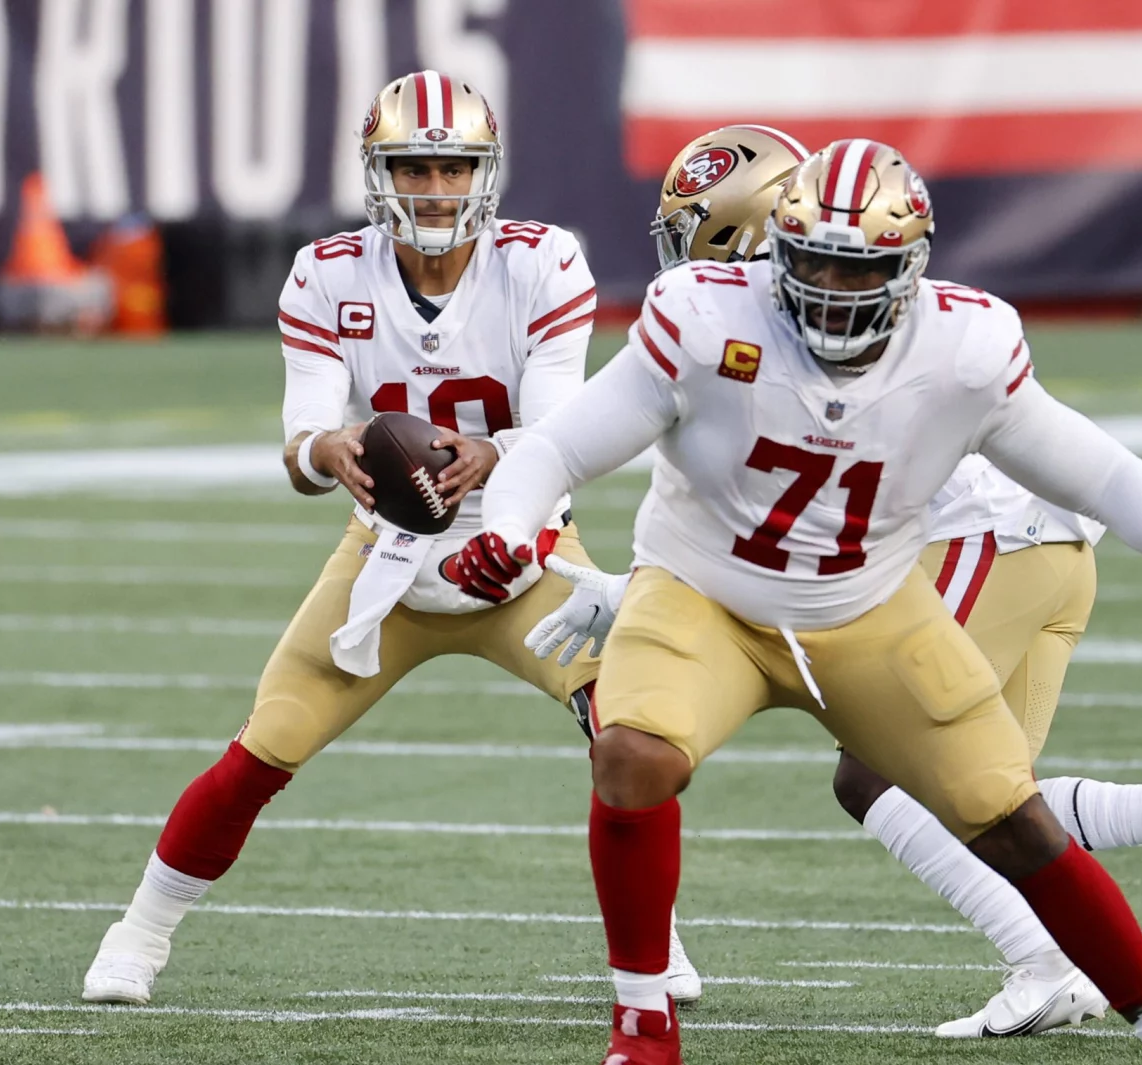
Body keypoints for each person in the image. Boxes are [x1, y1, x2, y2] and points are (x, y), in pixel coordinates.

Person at [458, 139, 1142, 1065]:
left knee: (1012, 817)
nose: (832, 289)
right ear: (778, 250)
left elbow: (1092, 467)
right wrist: (506, 528)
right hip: (703, 598)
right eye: (813, 262)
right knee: (632, 755)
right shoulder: (702, 318)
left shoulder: (966, 345)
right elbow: (561, 447)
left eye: (858, 268)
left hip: (865, 607)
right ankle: (642, 1035)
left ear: (911, 265)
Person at [79, 70, 703, 1005]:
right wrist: (327, 448)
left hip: (525, 553)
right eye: (414, 167)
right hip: (388, 558)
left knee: (633, 741)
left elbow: (563, 432)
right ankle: (139, 932)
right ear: (379, 173)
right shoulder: (327, 273)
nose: (436, 189)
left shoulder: (540, 262)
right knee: (263, 748)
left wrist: (494, 454)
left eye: (455, 169)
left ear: (485, 173)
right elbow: (300, 446)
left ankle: (654, 943)